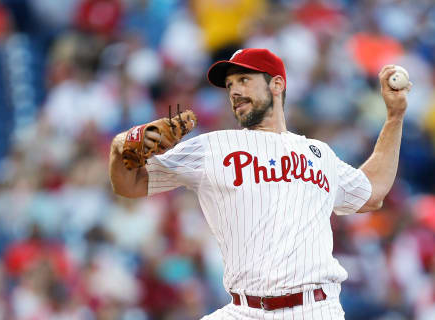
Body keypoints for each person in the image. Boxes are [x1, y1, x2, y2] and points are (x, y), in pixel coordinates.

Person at [109, 48, 411, 319]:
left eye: (243, 80)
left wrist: (395, 117)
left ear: (277, 84)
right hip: (243, 310)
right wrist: (123, 147)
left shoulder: (318, 154)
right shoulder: (213, 147)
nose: (234, 91)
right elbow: (129, 184)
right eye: (229, 86)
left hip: (312, 309)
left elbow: (373, 192)